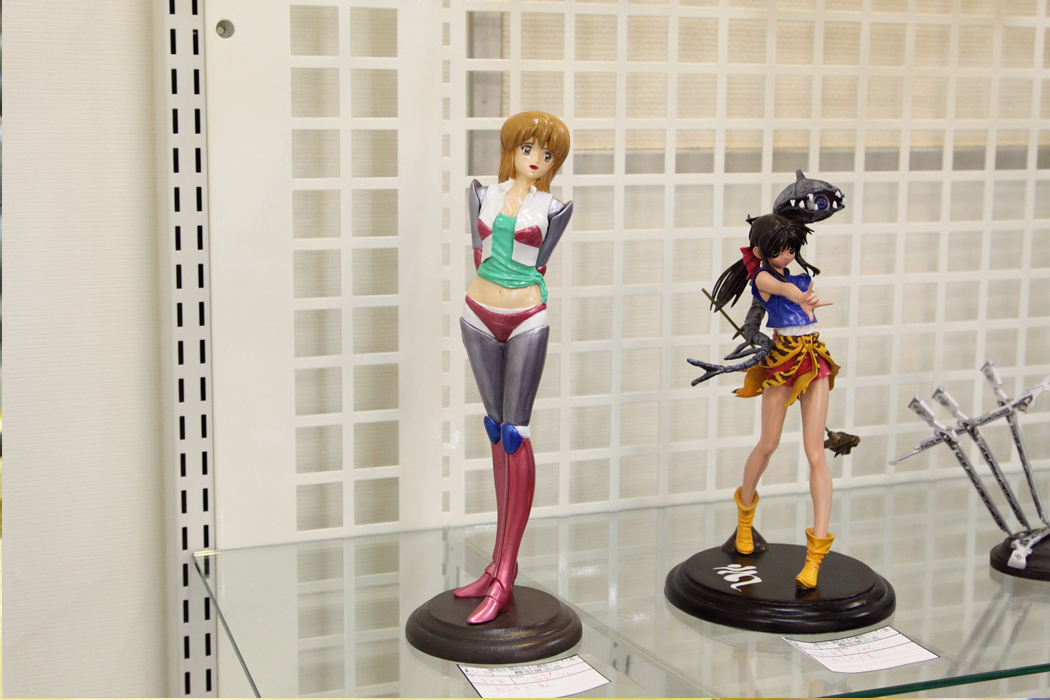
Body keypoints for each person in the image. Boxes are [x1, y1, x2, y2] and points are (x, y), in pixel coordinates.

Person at [456, 111, 572, 624]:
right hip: (477, 314)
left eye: (547, 153)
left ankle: (506, 570)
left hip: (526, 317)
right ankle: (496, 564)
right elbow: (478, 253)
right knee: (493, 428)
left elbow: (539, 263)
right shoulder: (480, 195)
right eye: (529, 148)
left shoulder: (555, 208)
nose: (537, 159)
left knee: (514, 434)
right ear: (512, 148)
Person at [709, 212, 840, 588]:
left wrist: (805, 295)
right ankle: (744, 519)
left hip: (812, 358)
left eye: (791, 249)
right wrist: (801, 297)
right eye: (779, 250)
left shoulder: (801, 276)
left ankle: (815, 557)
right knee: (768, 443)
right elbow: (780, 290)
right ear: (760, 252)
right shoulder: (763, 279)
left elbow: (797, 290)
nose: (787, 256)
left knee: (815, 453)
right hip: (783, 360)